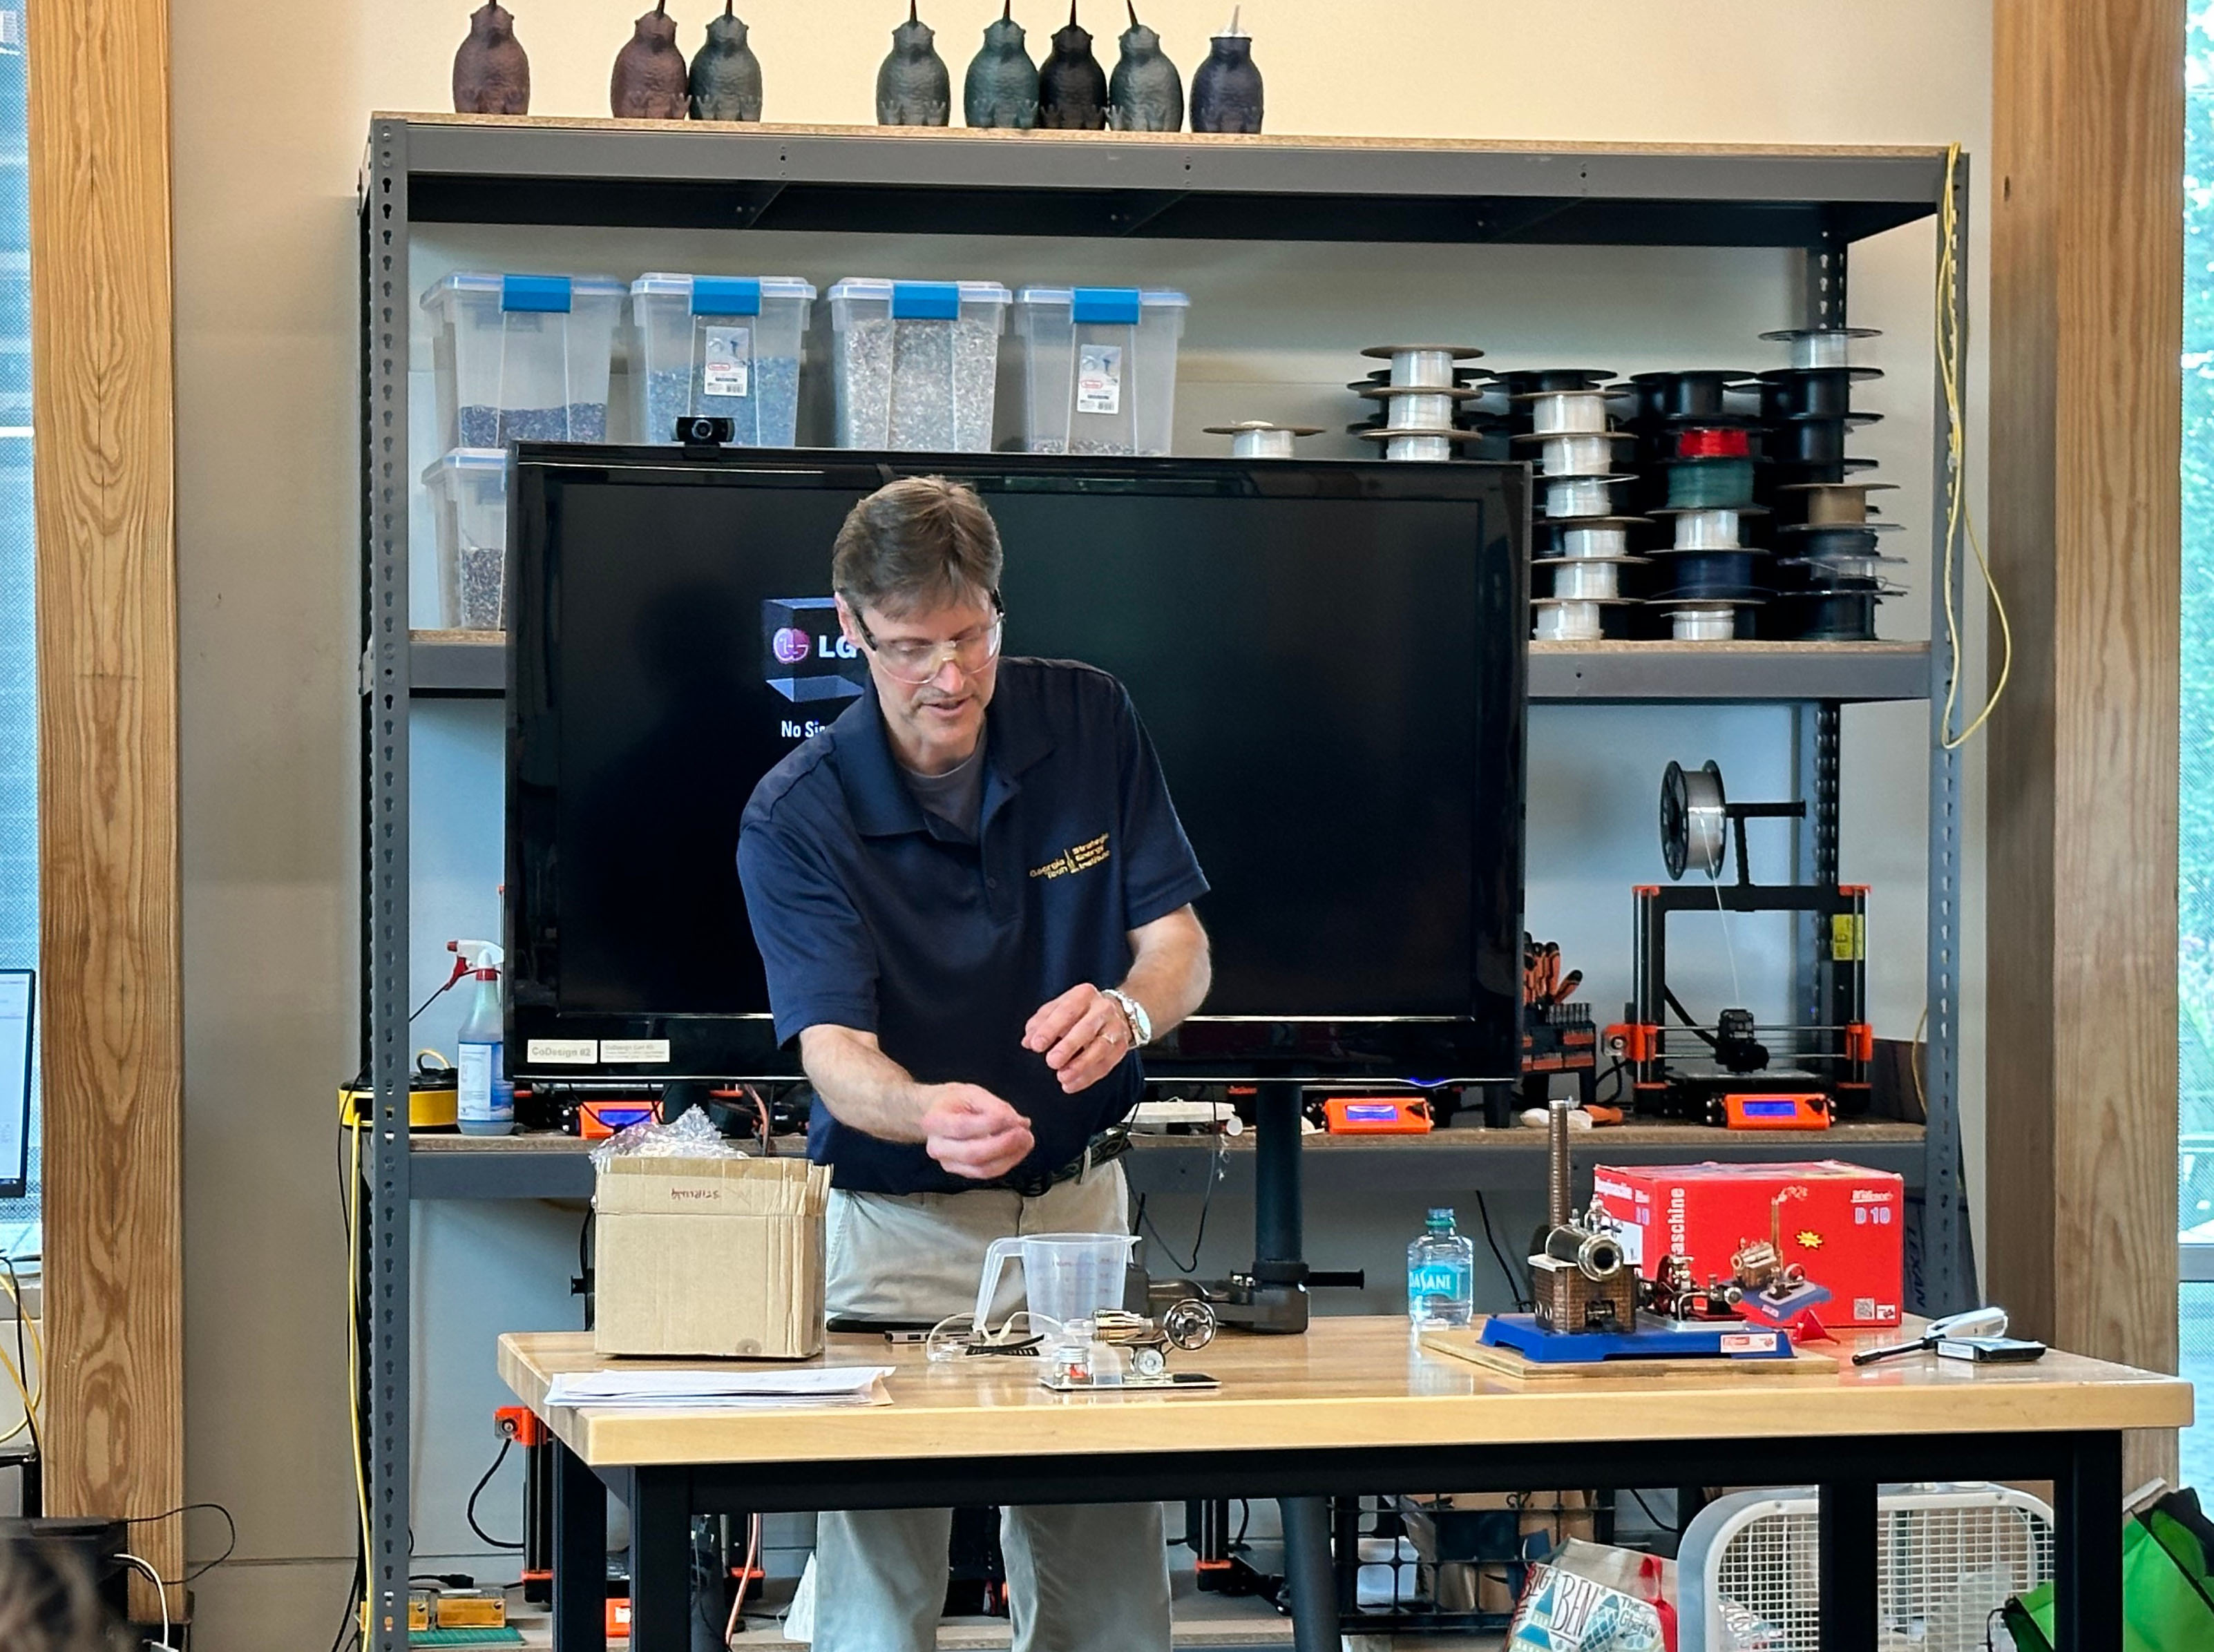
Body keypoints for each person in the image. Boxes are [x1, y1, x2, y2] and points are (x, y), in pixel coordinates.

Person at [737, 475, 1212, 1652]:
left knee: (1106, 1593)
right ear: (849, 628)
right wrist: (923, 1112)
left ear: (999, 609)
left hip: (1079, 1217)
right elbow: (834, 1055)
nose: (947, 678)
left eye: (970, 638)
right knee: (878, 1598)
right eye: (908, 649)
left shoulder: (1090, 719)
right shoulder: (795, 813)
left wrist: (1131, 1014)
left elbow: (1179, 949)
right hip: (895, 1233)